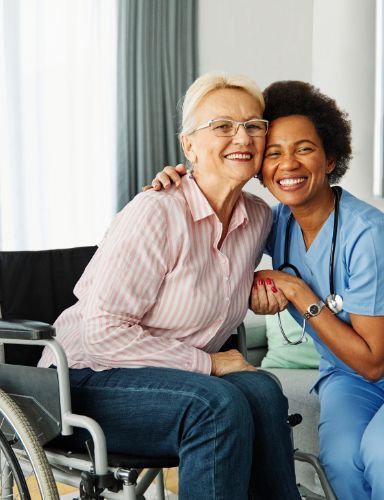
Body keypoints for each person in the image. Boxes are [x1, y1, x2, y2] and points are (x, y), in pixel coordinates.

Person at [150, 80, 384, 500]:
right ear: (260, 168)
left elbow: (374, 363)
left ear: (331, 159)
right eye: (273, 152)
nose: (288, 164)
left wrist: (295, 290)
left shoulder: (369, 235)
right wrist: (179, 179)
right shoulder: (271, 224)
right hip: (346, 376)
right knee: (341, 461)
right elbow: (210, 228)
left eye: (304, 149)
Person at [38, 72, 301, 500]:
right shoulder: (157, 212)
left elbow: (225, 270)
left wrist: (257, 283)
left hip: (172, 379)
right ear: (189, 146)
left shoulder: (258, 219)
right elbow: (102, 334)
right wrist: (210, 365)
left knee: (263, 391)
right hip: (83, 380)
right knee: (216, 404)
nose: (244, 136)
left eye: (254, 125)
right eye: (223, 126)